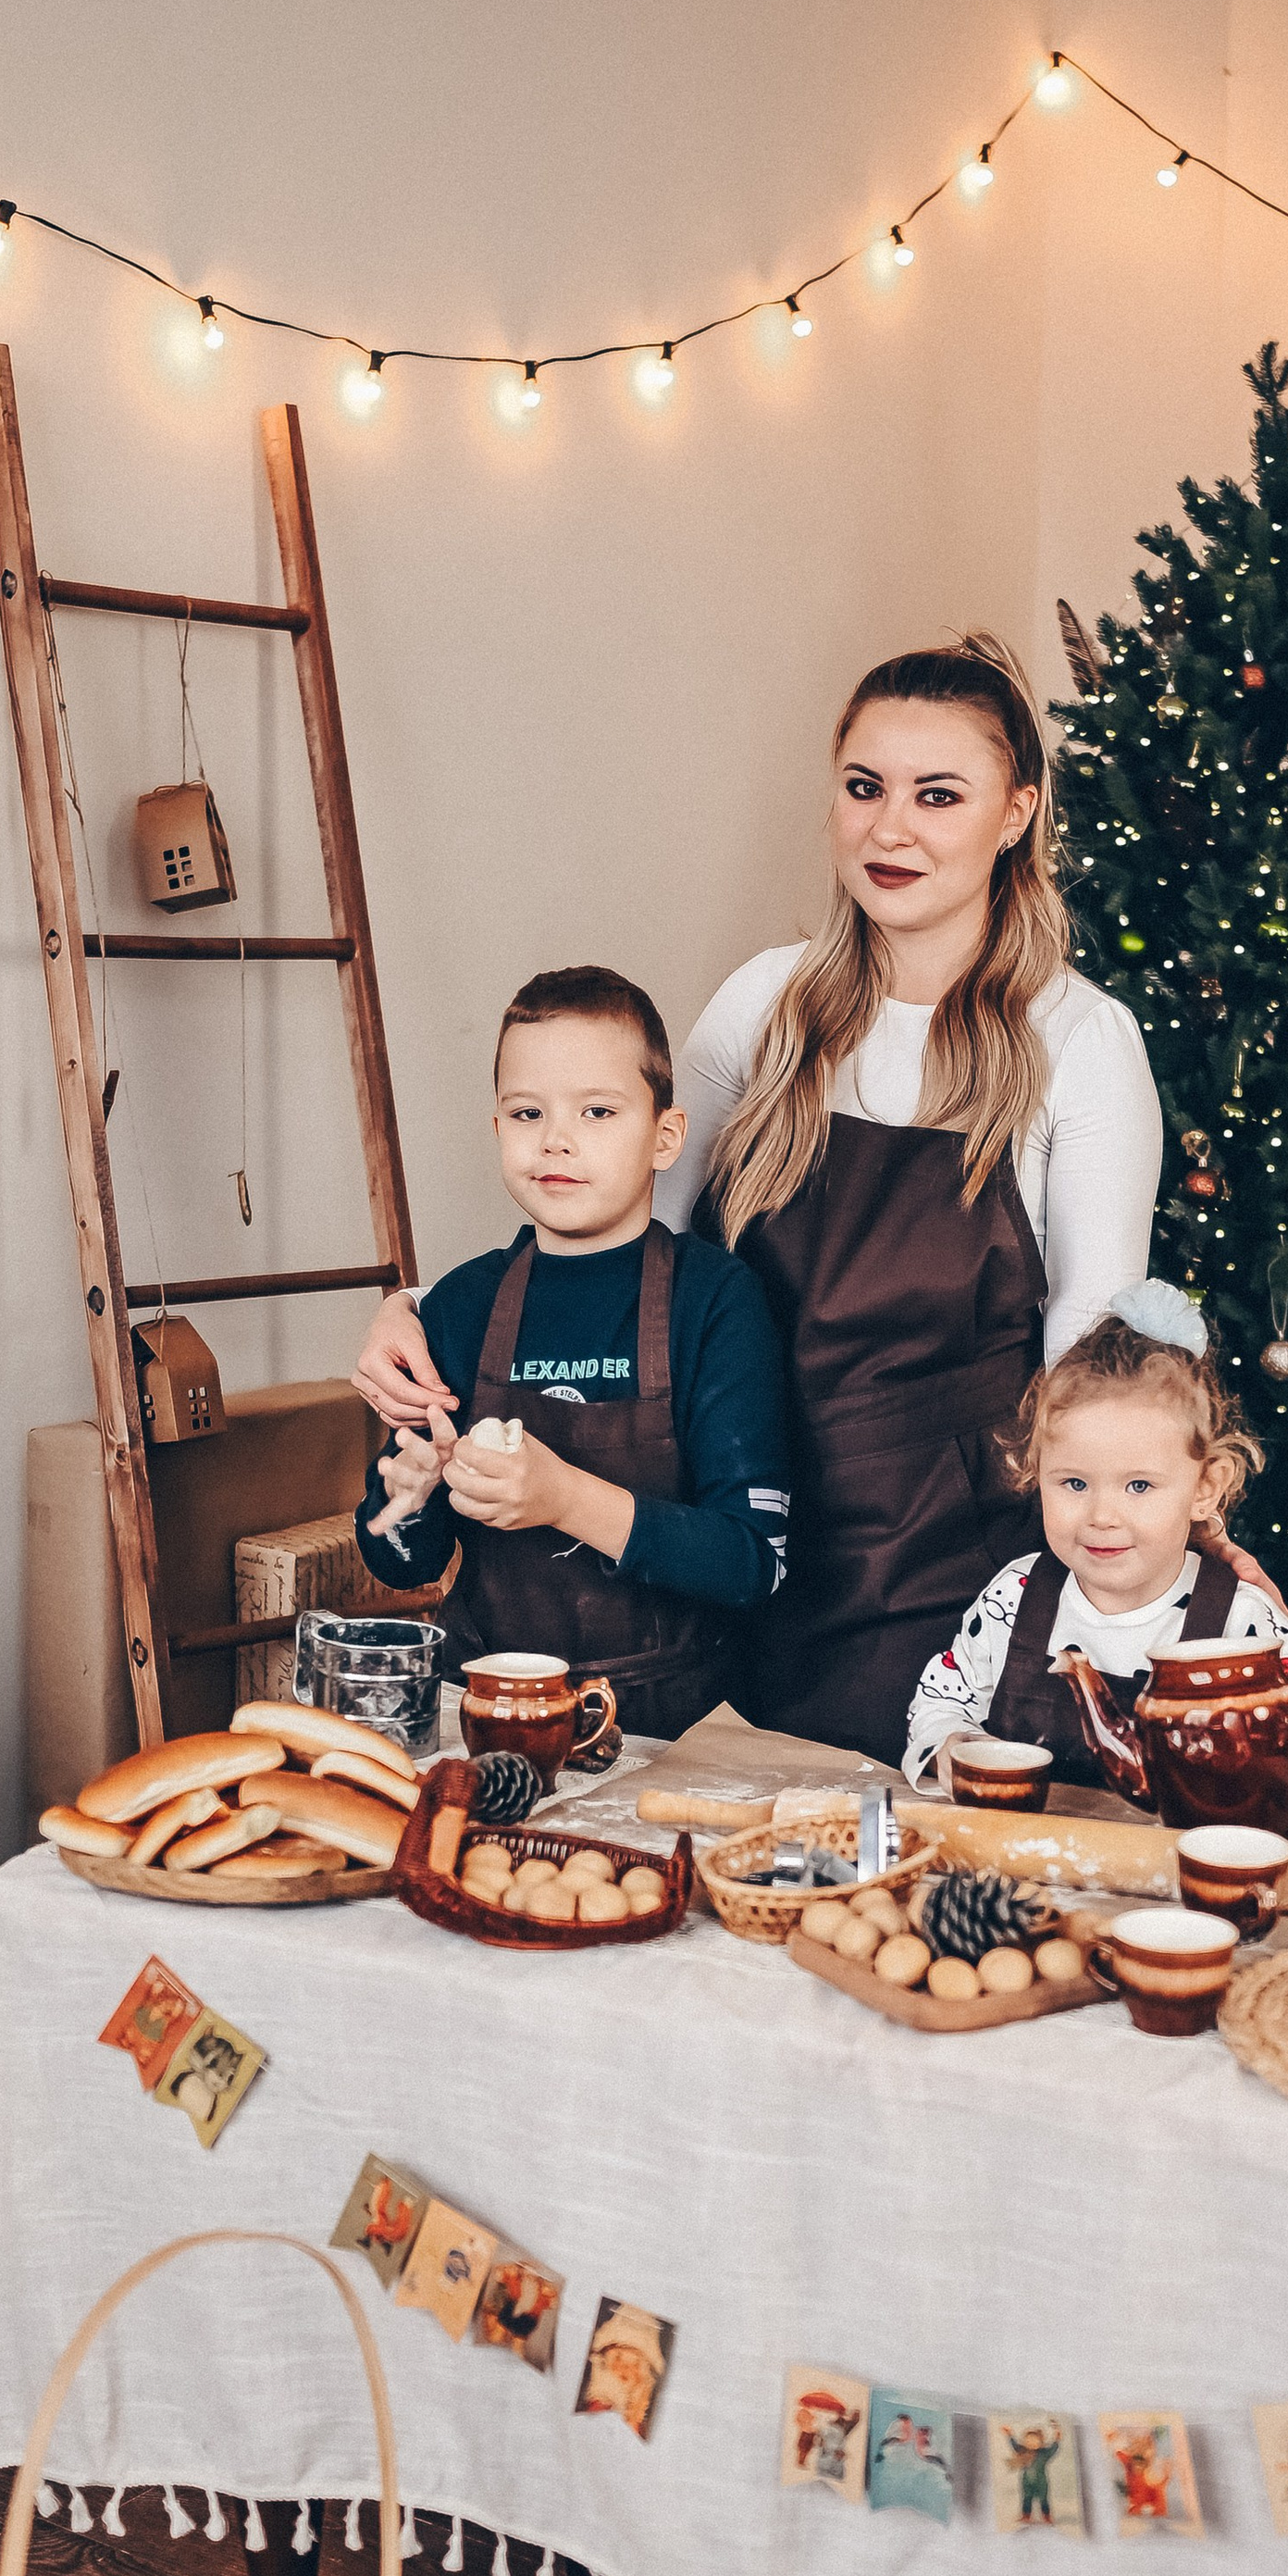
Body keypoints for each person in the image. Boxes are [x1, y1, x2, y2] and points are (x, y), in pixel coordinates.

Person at [353, 636, 1162, 1767]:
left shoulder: (1077, 1041)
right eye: (864, 786)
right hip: (718, 1561)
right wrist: (425, 1306)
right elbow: (623, 1231)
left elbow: (1091, 1344)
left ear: (1017, 811)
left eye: (940, 795)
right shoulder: (763, 1005)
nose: (891, 829)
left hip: (940, 1583)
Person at [352, 965, 790, 1737]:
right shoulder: (459, 1306)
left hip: (670, 1730)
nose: (556, 1138)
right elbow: (401, 1562)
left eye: (597, 1110)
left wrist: (565, 1500)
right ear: (496, 1127)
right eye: (527, 1112)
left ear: (665, 1137)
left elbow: (754, 1563)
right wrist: (405, 1502)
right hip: (487, 1715)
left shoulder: (716, 1300)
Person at [902, 1281, 1288, 1798]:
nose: (1102, 1516)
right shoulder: (1016, 1595)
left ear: (1205, 1488)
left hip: (1173, 1875)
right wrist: (954, 1746)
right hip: (1018, 1871)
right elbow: (942, 1701)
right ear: (1036, 1471)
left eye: (1138, 1485)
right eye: (1074, 1483)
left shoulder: (1245, 1624)